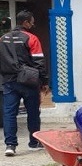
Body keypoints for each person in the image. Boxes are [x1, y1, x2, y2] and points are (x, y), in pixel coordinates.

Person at [0, 10, 49, 156]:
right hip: (29, 81)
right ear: (26, 22)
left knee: (9, 113)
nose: (33, 24)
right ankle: (34, 143)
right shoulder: (32, 38)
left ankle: (10, 145)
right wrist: (44, 81)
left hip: (8, 81)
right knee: (33, 112)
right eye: (32, 22)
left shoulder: (3, 38)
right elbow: (39, 62)